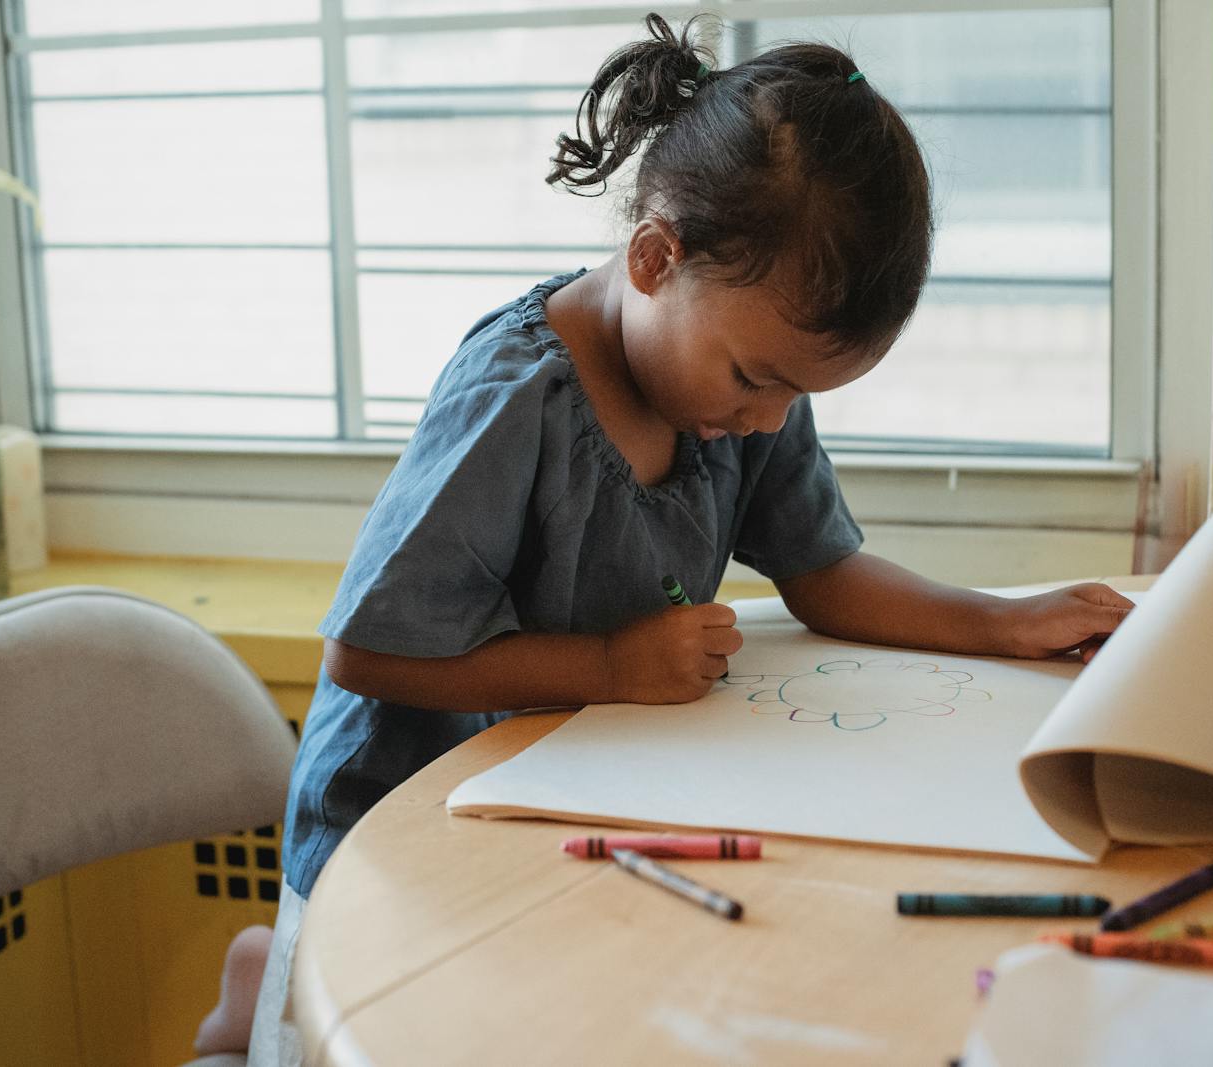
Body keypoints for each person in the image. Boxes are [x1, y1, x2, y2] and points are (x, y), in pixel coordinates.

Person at [239, 14, 1134, 1063]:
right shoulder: (513, 399)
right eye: (757, 380)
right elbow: (368, 649)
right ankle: (258, 983)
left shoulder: (737, 387)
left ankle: (246, 978)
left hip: (568, 799)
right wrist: (610, 663)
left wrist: (1001, 620)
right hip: (395, 829)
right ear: (655, 256)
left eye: (796, 393)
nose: (766, 419)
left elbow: (823, 571)